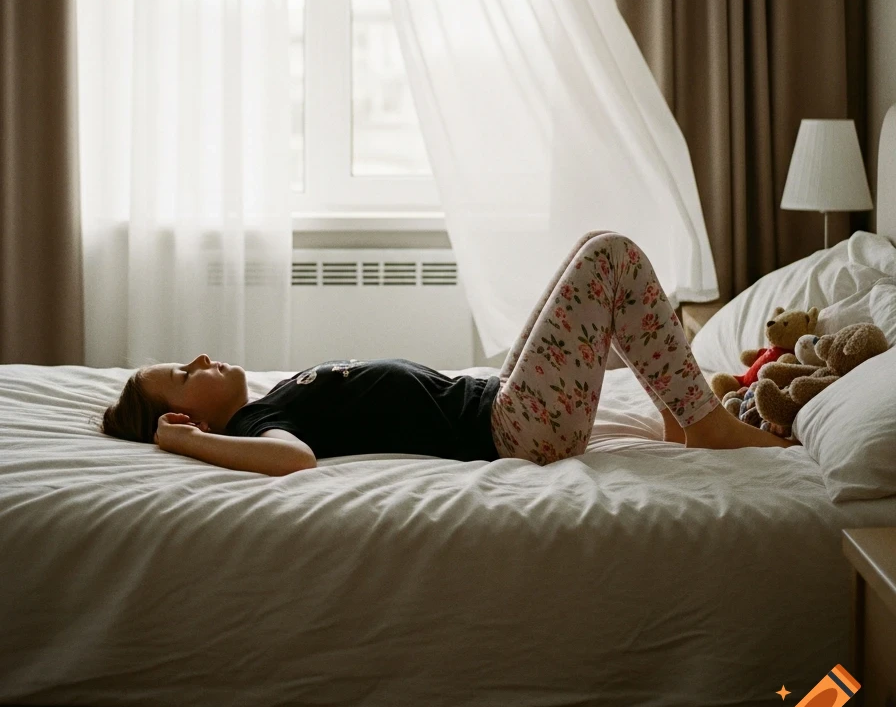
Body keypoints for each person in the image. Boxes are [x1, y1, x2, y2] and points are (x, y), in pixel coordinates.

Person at [101, 230, 797, 475]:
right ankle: (704, 424)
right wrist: (186, 447)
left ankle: (681, 413)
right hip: (510, 430)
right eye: (182, 375)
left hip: (497, 402)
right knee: (610, 259)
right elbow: (293, 461)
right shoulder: (256, 431)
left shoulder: (266, 401)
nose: (198, 358)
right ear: (186, 419)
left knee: (595, 244)